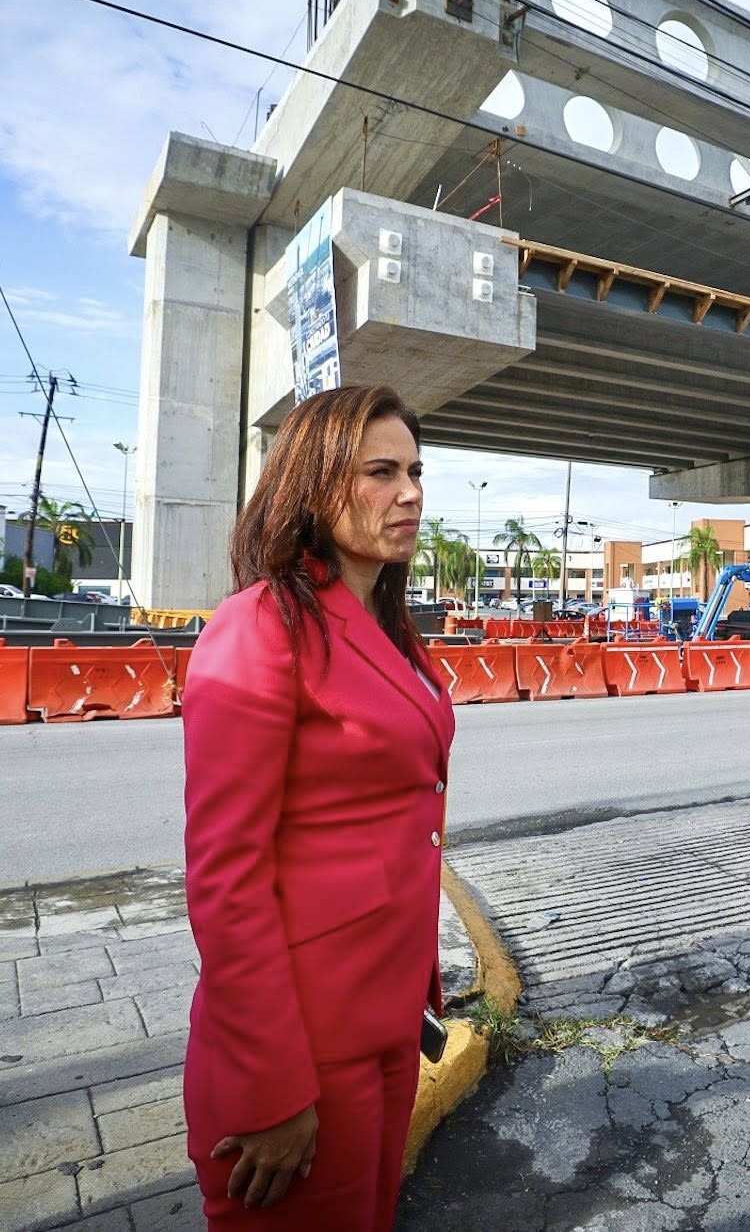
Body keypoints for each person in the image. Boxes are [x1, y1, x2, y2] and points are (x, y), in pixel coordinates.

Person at [181, 385, 455, 1228]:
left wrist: (420, 984)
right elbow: (226, 874)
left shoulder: (388, 626)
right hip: (304, 1042)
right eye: (380, 471)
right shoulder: (259, 626)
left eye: (414, 469)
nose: (408, 491)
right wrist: (270, 1088)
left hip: (385, 1017)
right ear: (314, 481)